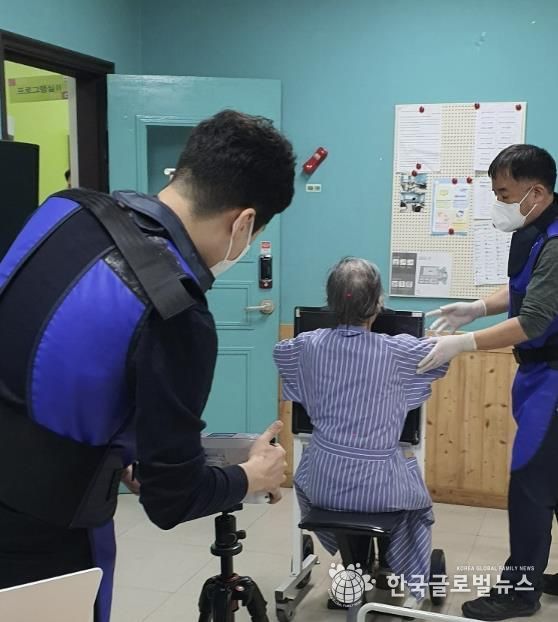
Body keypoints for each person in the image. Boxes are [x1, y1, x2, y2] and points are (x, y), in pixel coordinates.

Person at [0, 110, 294, 622]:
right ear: (244, 223)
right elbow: (171, 500)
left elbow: (57, 357)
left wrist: (124, 451)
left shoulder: (65, 211)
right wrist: (250, 476)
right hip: (43, 541)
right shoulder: (176, 311)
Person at [421, 144, 558, 620]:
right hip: (540, 375)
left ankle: (519, 593)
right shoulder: (541, 232)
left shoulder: (557, 242)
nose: (497, 202)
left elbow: (534, 320)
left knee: (530, 486)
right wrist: (478, 307)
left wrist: (463, 343)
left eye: (503, 193)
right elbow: (527, 290)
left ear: (535, 192)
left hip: (553, 381)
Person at [273, 257, 448, 605]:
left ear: (331, 302)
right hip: (379, 486)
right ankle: (398, 573)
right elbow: (440, 356)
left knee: (345, 495)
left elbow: (282, 353)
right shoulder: (398, 351)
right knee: (413, 504)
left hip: (322, 482)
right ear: (378, 304)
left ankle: (356, 568)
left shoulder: (307, 345)